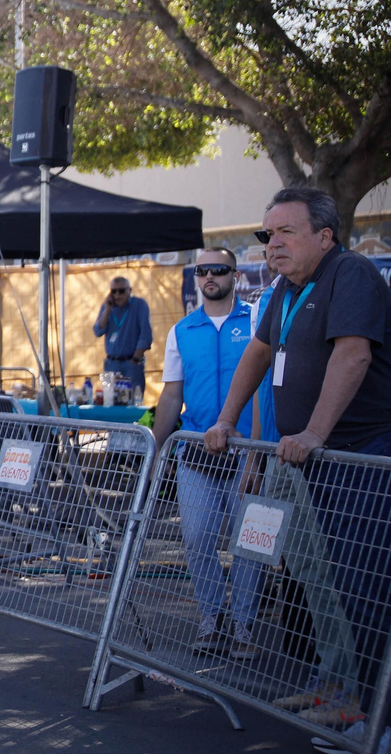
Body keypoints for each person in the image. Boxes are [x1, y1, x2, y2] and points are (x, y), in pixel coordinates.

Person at [205, 188, 391, 736]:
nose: (272, 244)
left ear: (325, 236)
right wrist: (224, 420)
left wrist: (315, 431)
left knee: (368, 586)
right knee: (325, 581)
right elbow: (258, 355)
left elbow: (353, 353)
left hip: (364, 455)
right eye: (267, 235)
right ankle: (345, 692)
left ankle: (377, 721)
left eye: (286, 232)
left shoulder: (351, 274)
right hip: (313, 460)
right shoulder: (284, 291)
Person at [153, 246, 263, 659]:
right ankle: (212, 619)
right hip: (196, 450)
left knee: (248, 543)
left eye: (218, 270)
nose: (209, 277)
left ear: (235, 275)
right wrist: (157, 451)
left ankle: (244, 626)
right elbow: (171, 395)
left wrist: (259, 453)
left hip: (248, 450)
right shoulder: (181, 330)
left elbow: (266, 388)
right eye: (202, 271)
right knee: (198, 539)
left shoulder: (255, 319)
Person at [93, 276, 152, 392]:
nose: (117, 295)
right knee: (111, 402)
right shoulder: (106, 307)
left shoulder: (139, 305)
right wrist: (107, 310)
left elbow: (145, 335)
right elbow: (98, 331)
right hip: (112, 363)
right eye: (113, 291)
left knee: (133, 402)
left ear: (130, 290)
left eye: (121, 291)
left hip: (131, 362)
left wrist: (135, 360)